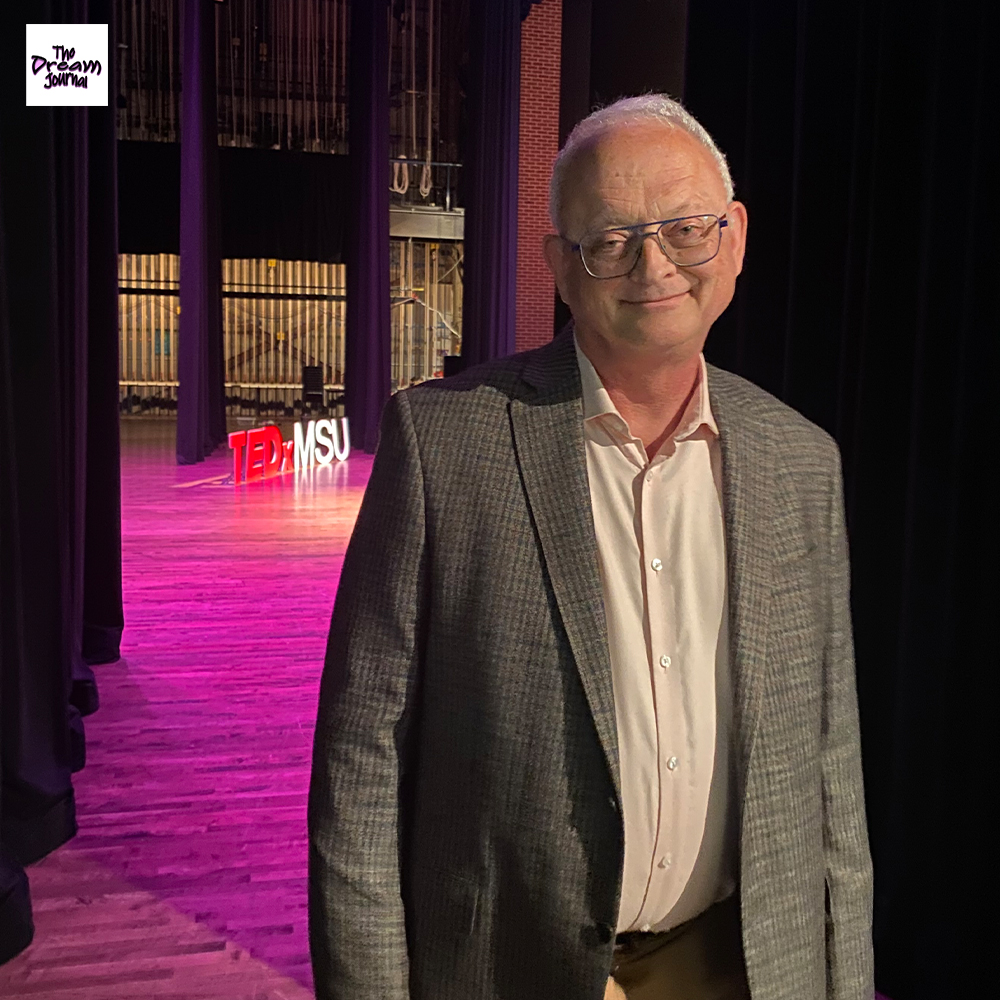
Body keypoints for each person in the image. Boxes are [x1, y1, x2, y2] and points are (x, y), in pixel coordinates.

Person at [307, 94, 874, 1000]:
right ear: (560, 270)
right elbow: (361, 762)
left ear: (733, 239)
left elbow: (830, 761)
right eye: (611, 239)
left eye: (687, 228)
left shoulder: (803, 463)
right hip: (511, 965)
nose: (655, 265)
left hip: (743, 964)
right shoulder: (443, 444)